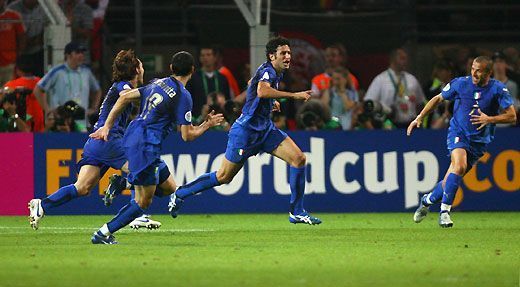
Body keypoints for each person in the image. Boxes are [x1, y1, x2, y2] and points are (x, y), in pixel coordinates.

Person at [169, 37, 322, 225]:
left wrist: (268, 103)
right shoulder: (268, 71)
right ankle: (181, 192)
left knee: (299, 159)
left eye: (289, 53)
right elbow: (262, 91)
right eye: (283, 53)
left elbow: (253, 83)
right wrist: (293, 95)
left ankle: (297, 211)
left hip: (265, 130)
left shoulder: (274, 71)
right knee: (223, 177)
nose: (288, 56)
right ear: (272, 56)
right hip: (246, 132)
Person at [88, 51, 223, 244]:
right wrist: (207, 125)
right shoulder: (183, 96)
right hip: (146, 145)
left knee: (170, 188)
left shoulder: (157, 83)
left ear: (171, 68)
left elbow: (124, 98)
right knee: (143, 202)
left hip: (133, 135)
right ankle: (103, 233)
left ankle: (125, 184)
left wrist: (107, 125)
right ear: (193, 70)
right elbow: (187, 136)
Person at [27, 49, 149, 230]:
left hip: (96, 142)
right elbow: (126, 96)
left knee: (82, 187)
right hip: (109, 140)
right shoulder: (122, 86)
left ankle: (42, 205)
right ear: (137, 70)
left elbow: (138, 101)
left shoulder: (124, 88)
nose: (143, 68)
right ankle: (136, 211)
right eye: (141, 65)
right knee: (141, 170)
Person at [408, 56, 516, 228]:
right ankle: (444, 213)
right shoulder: (460, 83)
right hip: (458, 133)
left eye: (479, 69)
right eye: (473, 68)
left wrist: (490, 119)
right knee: (459, 166)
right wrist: (420, 117)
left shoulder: (497, 89)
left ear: (488, 72)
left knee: (448, 181)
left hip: (478, 142)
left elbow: (512, 116)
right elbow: (438, 98)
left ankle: (427, 200)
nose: (474, 72)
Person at [34, 42, 102, 131]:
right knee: (61, 144)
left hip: (81, 121)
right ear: (68, 55)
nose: (81, 55)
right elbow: (38, 89)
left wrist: (94, 108)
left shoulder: (86, 72)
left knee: (80, 144)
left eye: (82, 53)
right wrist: (47, 109)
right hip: (61, 121)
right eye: (77, 52)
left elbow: (97, 90)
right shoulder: (57, 71)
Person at [365, 48, 425, 128]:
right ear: (393, 59)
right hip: (389, 125)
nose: (405, 61)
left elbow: (421, 102)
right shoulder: (381, 80)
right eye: (402, 58)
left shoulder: (412, 79)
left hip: (411, 124)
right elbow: (369, 102)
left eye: (406, 58)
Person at [186, 45, 231, 119]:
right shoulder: (193, 78)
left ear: (215, 57)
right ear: (200, 58)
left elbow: (227, 99)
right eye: (202, 55)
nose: (205, 58)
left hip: (220, 119)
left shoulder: (222, 78)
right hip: (198, 118)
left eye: (208, 55)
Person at [3, 55, 44, 132]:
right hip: (39, 123)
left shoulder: (11, 85)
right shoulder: (41, 82)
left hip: (20, 123)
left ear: (17, 69)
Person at [7, 0, 48, 77]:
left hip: (38, 53)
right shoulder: (12, 9)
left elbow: (48, 27)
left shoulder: (44, 8)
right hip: (19, 55)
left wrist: (37, 40)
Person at [0, 0, 26, 86]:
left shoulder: (14, 16)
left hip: (9, 64)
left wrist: (18, 56)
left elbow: (22, 37)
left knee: (8, 93)